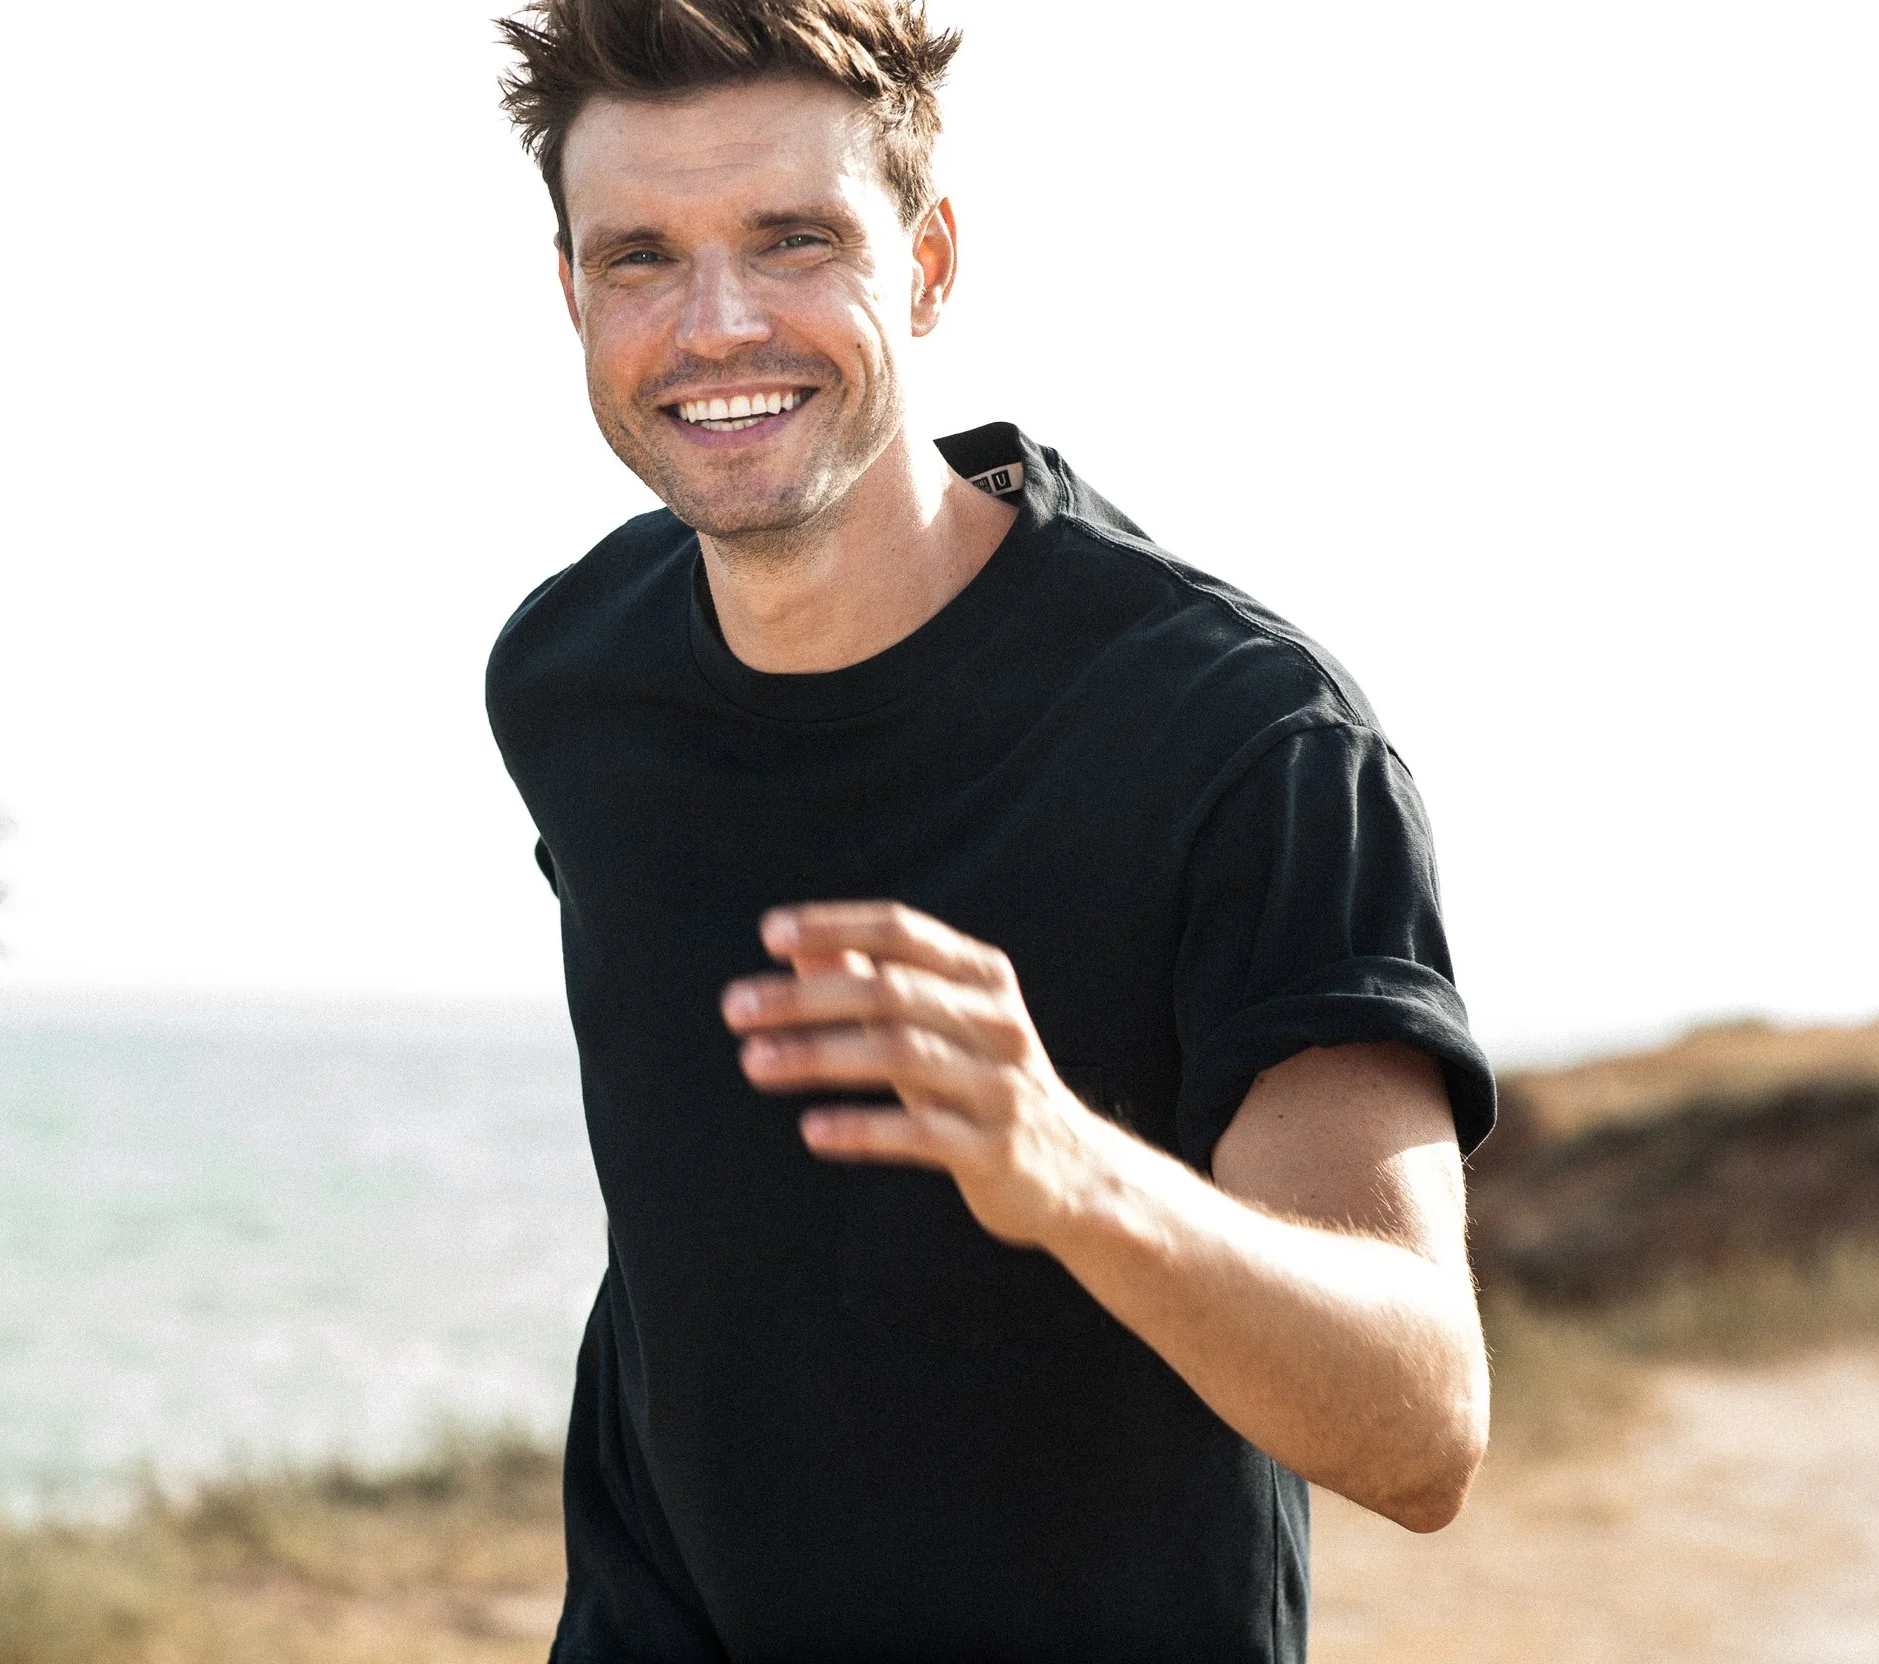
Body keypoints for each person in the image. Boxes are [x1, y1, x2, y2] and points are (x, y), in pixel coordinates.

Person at [484, 3, 1495, 1658]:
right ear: (572, 294)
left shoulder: (1249, 742)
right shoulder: (568, 675)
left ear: (930, 265)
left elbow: (1423, 1426)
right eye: (641, 258)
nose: (716, 324)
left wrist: (1070, 1171)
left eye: (794, 240)